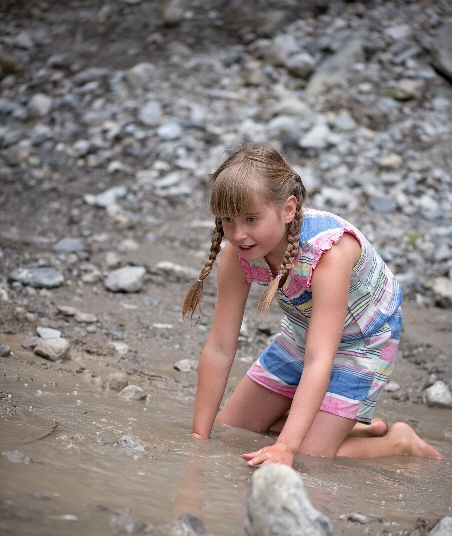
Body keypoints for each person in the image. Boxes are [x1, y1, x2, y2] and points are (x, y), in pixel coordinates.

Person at [182, 143, 444, 466]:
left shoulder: (328, 255)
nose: (239, 234)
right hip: (303, 332)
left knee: (308, 459)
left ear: (289, 209)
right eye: (229, 220)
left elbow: (321, 359)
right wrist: (198, 436)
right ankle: (339, 424)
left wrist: (287, 448)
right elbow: (220, 347)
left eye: (251, 218)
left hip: (364, 339)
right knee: (231, 432)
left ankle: (398, 442)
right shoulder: (238, 255)